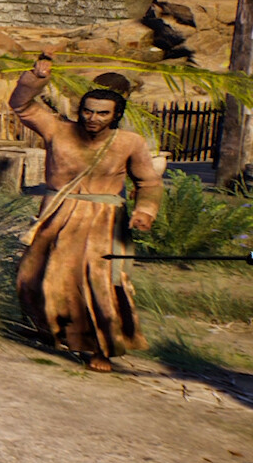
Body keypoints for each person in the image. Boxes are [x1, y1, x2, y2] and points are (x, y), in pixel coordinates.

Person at [10, 52, 163, 372]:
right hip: (56, 214)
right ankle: (54, 331)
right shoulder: (57, 129)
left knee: (99, 285)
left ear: (116, 115)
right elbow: (22, 106)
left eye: (102, 113)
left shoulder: (130, 142)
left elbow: (148, 182)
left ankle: (100, 349)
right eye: (88, 111)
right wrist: (36, 79)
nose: (93, 118)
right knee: (32, 277)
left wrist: (145, 211)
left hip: (103, 221)